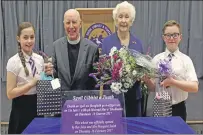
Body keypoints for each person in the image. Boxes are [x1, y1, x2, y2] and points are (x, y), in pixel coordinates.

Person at [143, 20, 199, 121]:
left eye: (175, 35)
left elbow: (194, 87)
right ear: (163, 37)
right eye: (168, 35)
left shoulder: (186, 60)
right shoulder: (156, 59)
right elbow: (153, 88)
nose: (171, 38)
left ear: (180, 37)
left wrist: (173, 82)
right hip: (159, 108)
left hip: (178, 109)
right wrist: (146, 80)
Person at [102, 1, 144, 117]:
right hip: (112, 97)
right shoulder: (106, 43)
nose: (123, 20)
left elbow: (141, 70)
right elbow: (103, 71)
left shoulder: (138, 43)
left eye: (127, 17)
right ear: (115, 20)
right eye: (120, 17)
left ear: (131, 21)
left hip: (133, 97)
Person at [45, 9, 99, 91]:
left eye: (74, 22)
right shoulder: (56, 46)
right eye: (67, 23)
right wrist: (50, 73)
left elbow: (95, 82)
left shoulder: (92, 49)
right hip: (63, 100)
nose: (71, 26)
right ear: (64, 25)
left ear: (80, 24)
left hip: (84, 101)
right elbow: (54, 77)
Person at [6, 22, 44, 133]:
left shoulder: (40, 59)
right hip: (21, 109)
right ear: (18, 39)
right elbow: (10, 93)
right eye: (25, 37)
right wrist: (31, 84)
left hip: (37, 108)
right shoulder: (13, 62)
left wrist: (49, 75)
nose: (29, 41)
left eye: (32, 37)